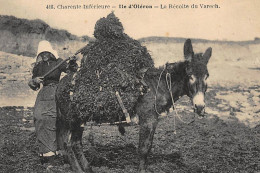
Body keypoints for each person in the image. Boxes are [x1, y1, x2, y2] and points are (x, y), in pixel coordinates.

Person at [28, 40, 77, 164]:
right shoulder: (38, 66)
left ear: (50, 53)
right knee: (39, 117)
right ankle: (45, 151)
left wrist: (71, 61)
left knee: (55, 119)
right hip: (44, 93)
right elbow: (33, 84)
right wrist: (35, 81)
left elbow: (71, 70)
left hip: (57, 92)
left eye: (46, 52)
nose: (44, 55)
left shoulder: (59, 62)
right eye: (42, 53)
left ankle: (57, 151)